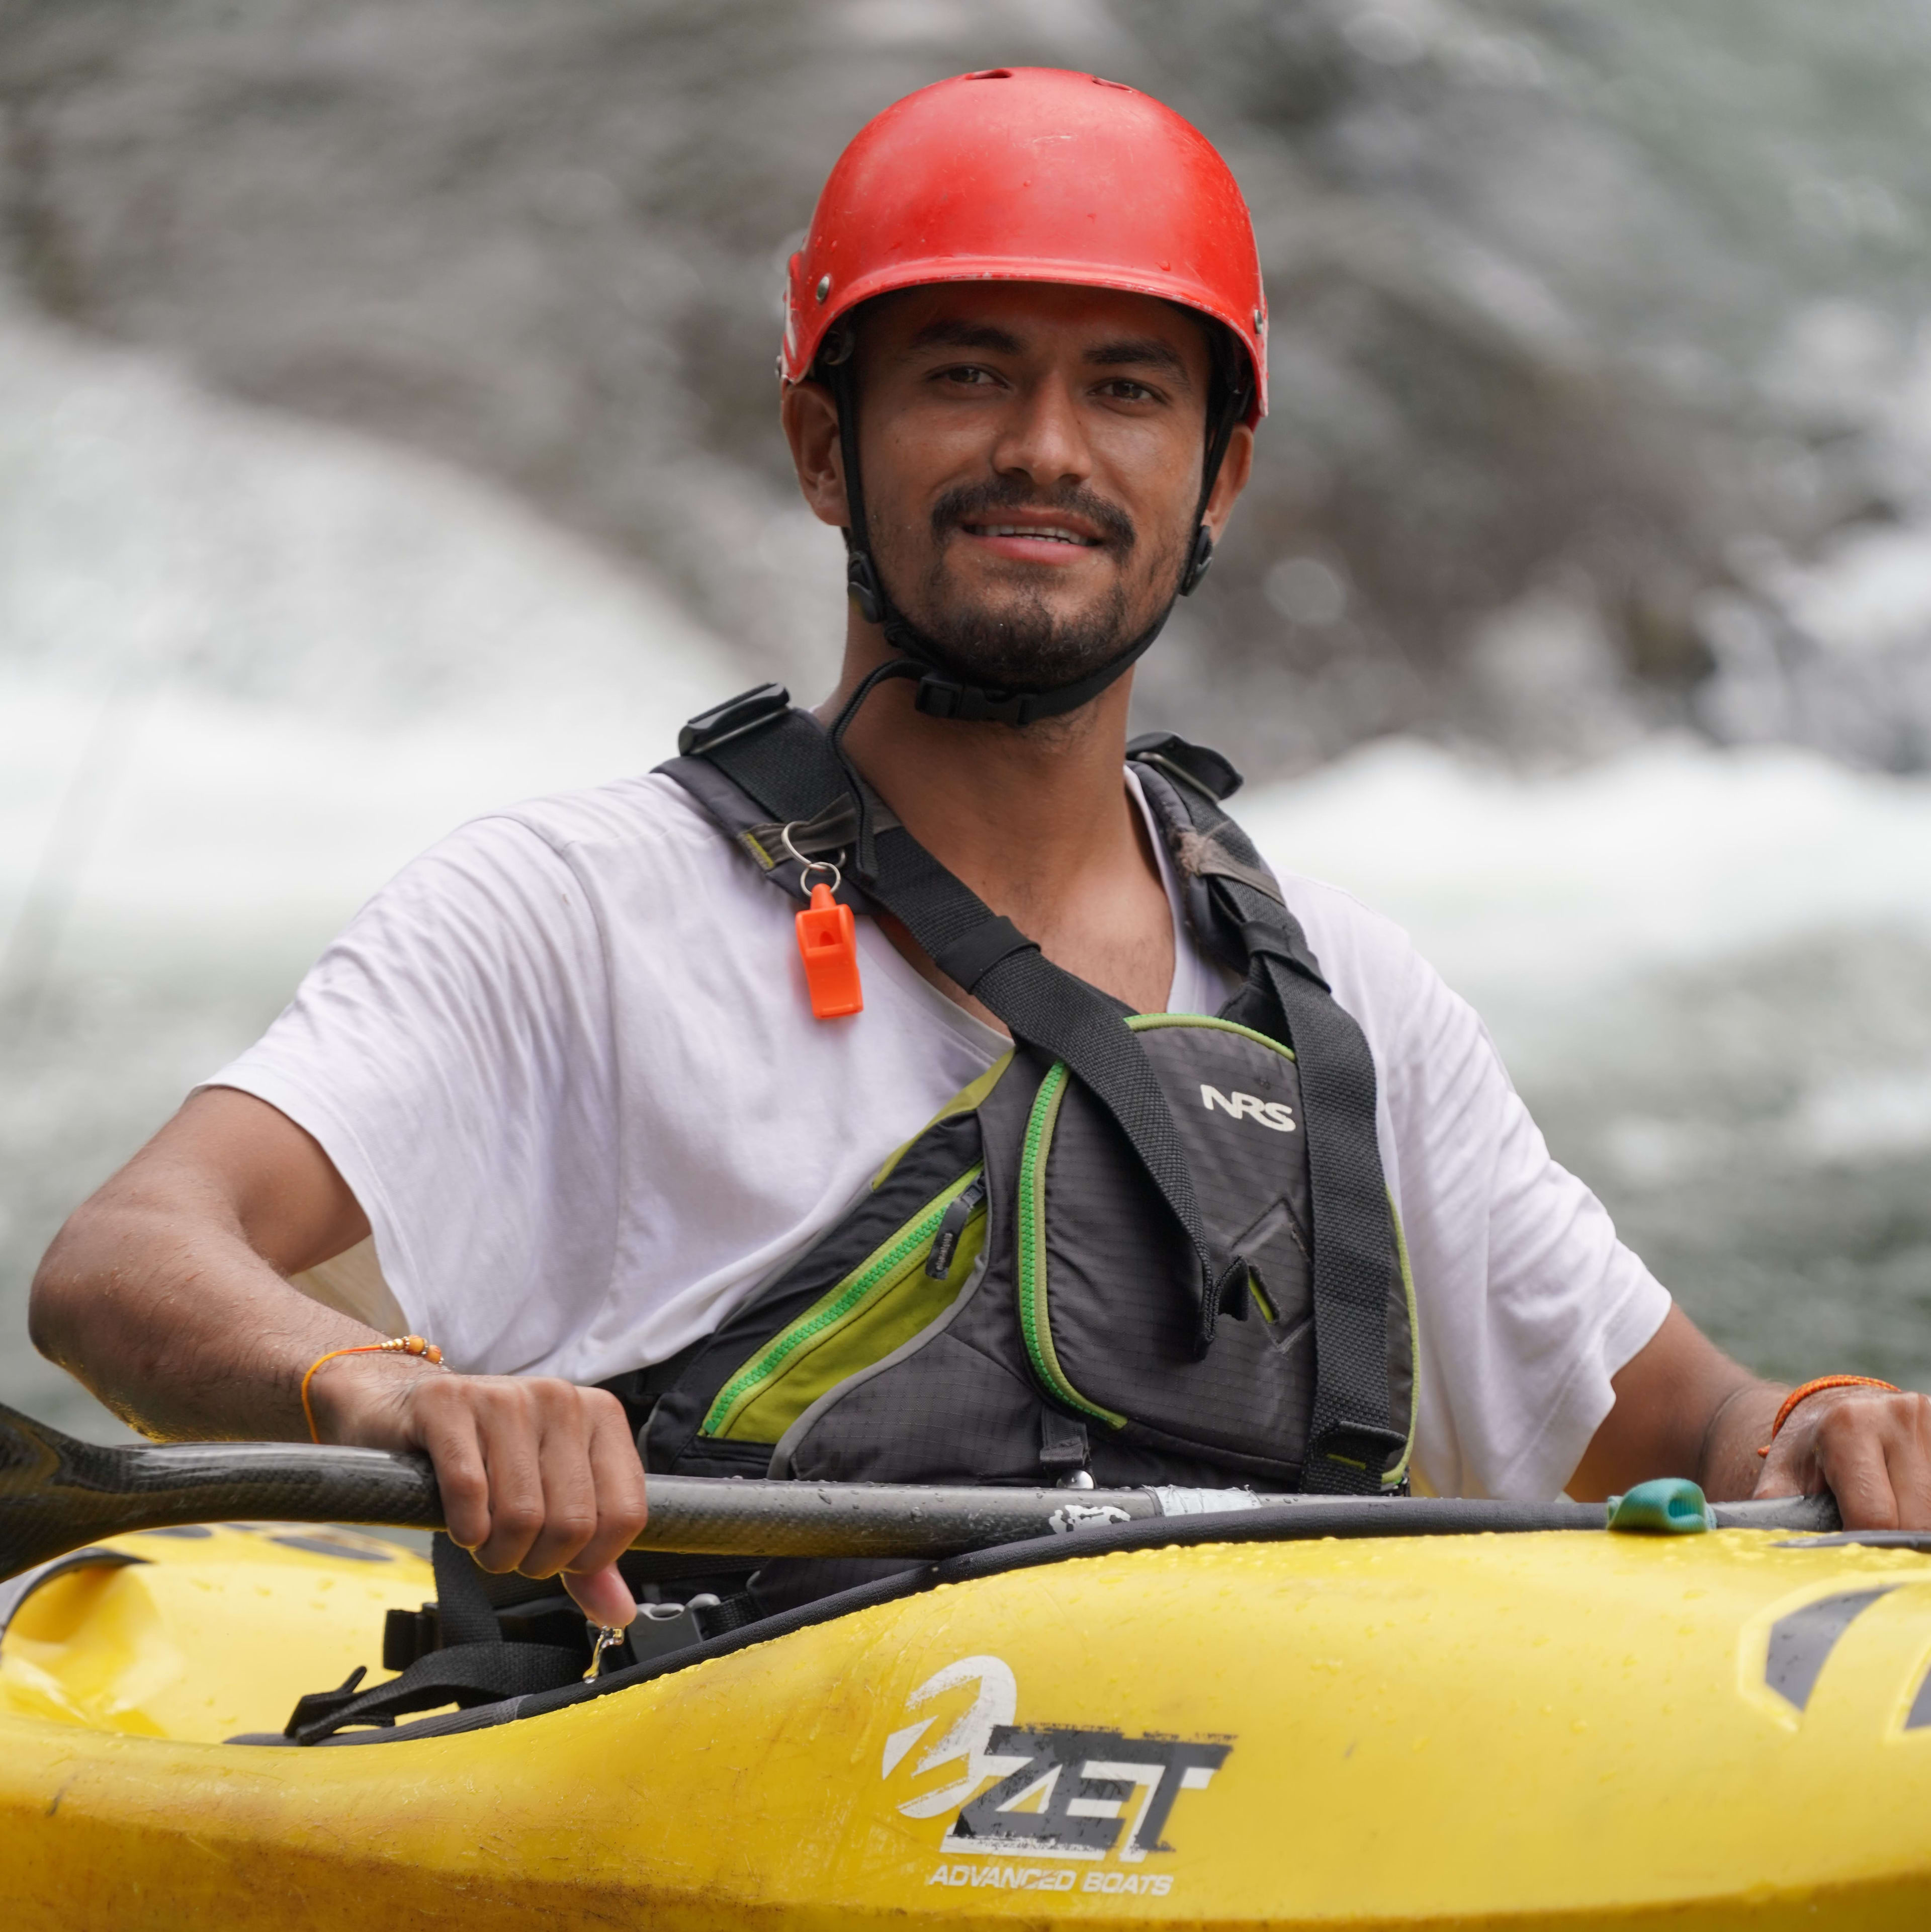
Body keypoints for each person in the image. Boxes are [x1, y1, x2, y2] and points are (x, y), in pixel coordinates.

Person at [29, 65, 1931, 1656]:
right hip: (705, 1825)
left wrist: (1832, 1429)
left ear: (1220, 476)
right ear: (820, 445)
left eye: (1126, 387)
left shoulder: (1343, 1007)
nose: (1046, 451)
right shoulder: (573, 911)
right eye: (963, 375)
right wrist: (389, 1386)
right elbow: (125, 1260)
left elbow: (1697, 1429)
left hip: (1250, 1843)